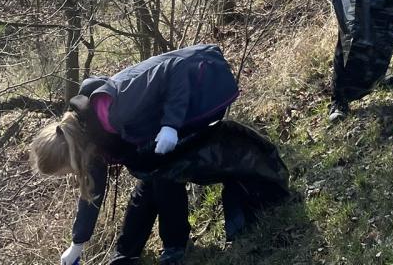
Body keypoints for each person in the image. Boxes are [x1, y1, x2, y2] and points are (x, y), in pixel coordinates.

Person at [30, 45, 241, 265]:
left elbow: (176, 68)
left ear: (72, 155)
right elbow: (92, 189)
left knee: (163, 173)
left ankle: (175, 247)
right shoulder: (89, 134)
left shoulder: (114, 111)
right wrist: (77, 243)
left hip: (206, 83)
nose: (72, 174)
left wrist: (170, 125)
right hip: (175, 112)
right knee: (149, 171)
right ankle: (126, 254)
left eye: (67, 171)